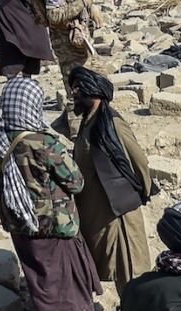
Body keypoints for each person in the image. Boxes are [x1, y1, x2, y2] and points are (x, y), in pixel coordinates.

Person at [0, 75, 115, 311]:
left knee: (40, 281)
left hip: (20, 225)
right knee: (72, 284)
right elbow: (76, 182)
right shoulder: (45, 144)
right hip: (56, 227)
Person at [68, 68, 155, 297]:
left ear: (93, 91)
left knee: (131, 270)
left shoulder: (112, 123)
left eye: (78, 89)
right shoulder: (88, 121)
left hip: (119, 213)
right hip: (98, 212)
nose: (73, 94)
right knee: (115, 268)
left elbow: (139, 161)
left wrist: (140, 193)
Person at [0, 0, 56, 77]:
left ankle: (22, 80)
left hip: (24, 11)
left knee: (27, 43)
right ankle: (15, 81)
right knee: (11, 47)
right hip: (8, 11)